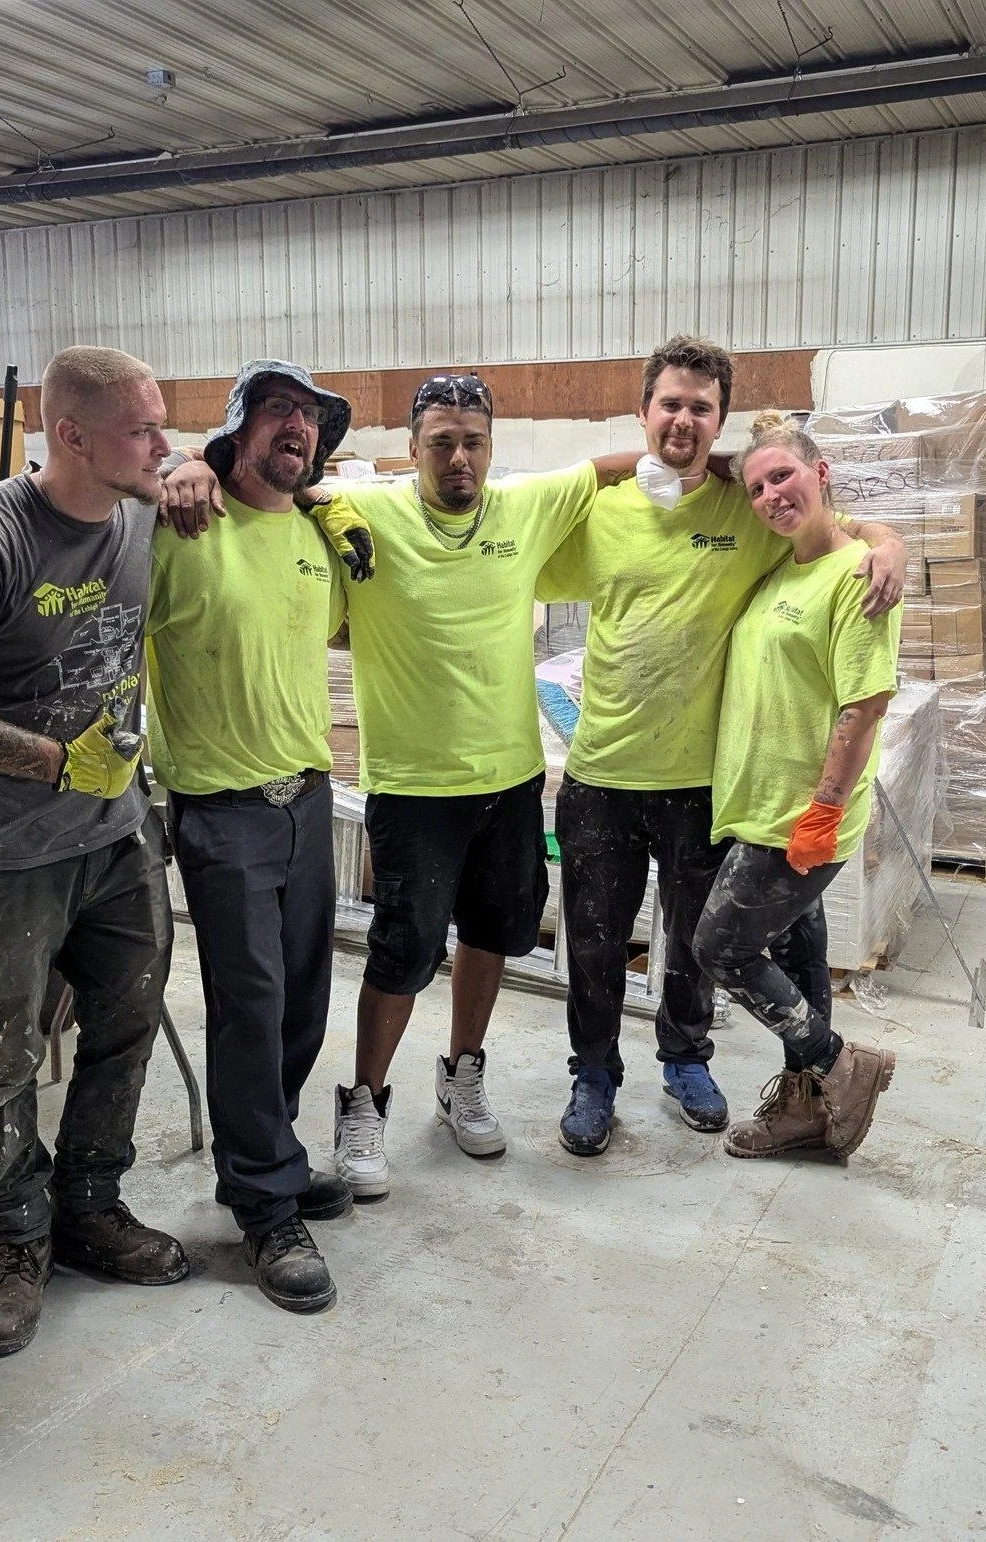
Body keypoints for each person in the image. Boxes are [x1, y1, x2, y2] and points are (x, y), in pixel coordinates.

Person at [162, 376, 639, 1197]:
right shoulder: (365, 512)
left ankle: (462, 1077)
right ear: (413, 449)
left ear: (493, 447)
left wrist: (736, 461)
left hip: (512, 778)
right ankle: (366, 1102)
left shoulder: (524, 505)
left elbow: (611, 467)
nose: (460, 457)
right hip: (413, 786)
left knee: (495, 935)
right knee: (401, 953)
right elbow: (267, 478)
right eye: (442, 442)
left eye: (474, 442)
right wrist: (181, 463)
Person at [535, 337, 906, 1156]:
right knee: (594, 942)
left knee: (695, 943)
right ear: (644, 412)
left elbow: (830, 524)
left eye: (701, 407)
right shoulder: (603, 511)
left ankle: (685, 1059)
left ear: (720, 421)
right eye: (669, 403)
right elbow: (517, 561)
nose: (683, 419)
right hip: (602, 772)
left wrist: (891, 543)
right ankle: (593, 1075)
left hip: (703, 784)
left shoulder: (746, 507)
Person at [0, 345, 187, 1359]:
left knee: (126, 1022)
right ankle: (20, 1243)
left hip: (116, 842)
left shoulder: (147, 508)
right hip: (5, 853)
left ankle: (93, 1207)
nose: (162, 444)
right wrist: (59, 763)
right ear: (71, 436)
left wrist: (188, 468)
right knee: (3, 1057)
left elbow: (239, 466)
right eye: (143, 429)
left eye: (164, 426)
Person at [145, 360, 358, 1314]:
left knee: (305, 998)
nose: (297, 428)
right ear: (238, 430)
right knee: (251, 1002)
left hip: (305, 797)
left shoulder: (314, 536)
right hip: (221, 809)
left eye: (309, 418)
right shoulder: (179, 524)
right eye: (279, 410)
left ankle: (270, 1154)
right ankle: (266, 1205)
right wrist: (176, 465)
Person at [692, 410, 901, 1159]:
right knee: (799, 951)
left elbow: (865, 703)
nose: (771, 495)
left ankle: (840, 1066)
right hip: (760, 806)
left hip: (799, 818)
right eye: (755, 487)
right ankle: (804, 1111)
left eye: (782, 475)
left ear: (821, 475)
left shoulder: (856, 578)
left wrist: (824, 810)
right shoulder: (786, 566)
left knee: (719, 948)